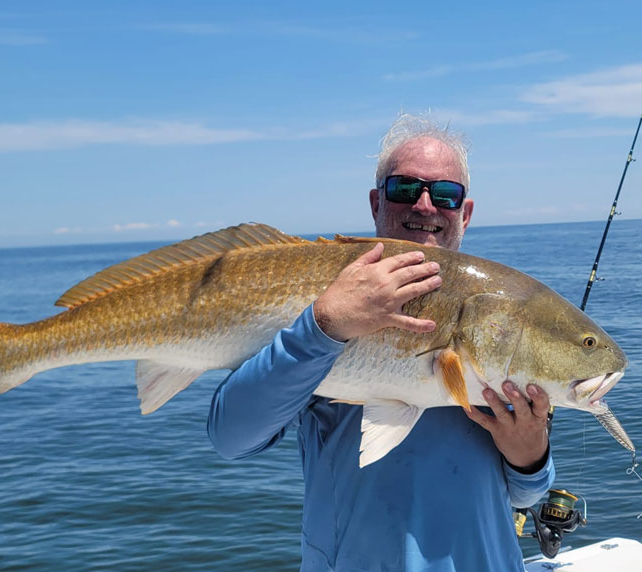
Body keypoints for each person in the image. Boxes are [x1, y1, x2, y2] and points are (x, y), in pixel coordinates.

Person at [207, 114, 555, 571]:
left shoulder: (500, 317)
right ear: (377, 203)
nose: (426, 206)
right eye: (405, 189)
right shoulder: (321, 296)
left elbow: (527, 493)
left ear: (464, 213)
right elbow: (231, 436)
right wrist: (323, 325)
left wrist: (532, 457)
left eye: (445, 194)